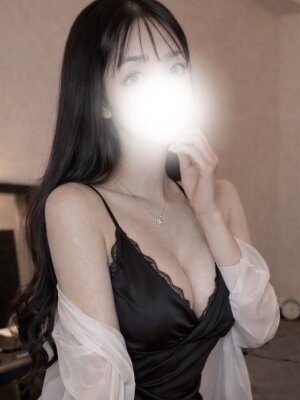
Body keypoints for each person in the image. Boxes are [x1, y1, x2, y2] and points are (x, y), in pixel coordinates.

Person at [9, 1, 281, 399]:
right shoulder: (76, 206)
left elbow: (260, 329)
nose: (164, 89)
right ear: (101, 102)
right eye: (135, 76)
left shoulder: (220, 197)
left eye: (176, 69)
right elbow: (98, 387)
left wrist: (207, 213)